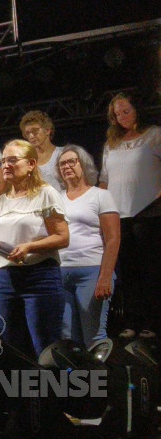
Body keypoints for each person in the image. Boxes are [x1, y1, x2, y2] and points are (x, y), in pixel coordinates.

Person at [0, 139, 69, 357]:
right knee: (12, 345)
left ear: (31, 164)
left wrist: (30, 247)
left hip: (39, 278)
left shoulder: (45, 193)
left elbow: (62, 238)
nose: (6, 165)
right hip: (6, 280)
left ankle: (50, 390)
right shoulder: (2, 201)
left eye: (13, 160)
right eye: (3, 160)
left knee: (43, 345)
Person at [99, 92, 161, 338]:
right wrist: (100, 208)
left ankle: (151, 323)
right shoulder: (110, 143)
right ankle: (131, 322)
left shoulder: (154, 134)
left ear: (137, 110)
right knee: (127, 273)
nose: (122, 117)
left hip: (149, 212)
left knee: (151, 271)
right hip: (118, 215)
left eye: (126, 111)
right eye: (117, 114)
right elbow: (104, 179)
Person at [57, 145, 119, 345]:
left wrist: (105, 276)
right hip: (60, 271)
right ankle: (74, 377)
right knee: (67, 337)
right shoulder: (55, 198)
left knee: (93, 335)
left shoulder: (100, 195)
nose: (66, 167)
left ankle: (99, 376)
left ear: (83, 164)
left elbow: (113, 239)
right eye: (62, 164)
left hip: (91, 271)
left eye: (71, 162)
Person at [19, 110, 64, 190]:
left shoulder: (63, 154)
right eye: (27, 133)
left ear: (47, 130)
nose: (31, 136)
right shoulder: (27, 160)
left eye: (35, 131)